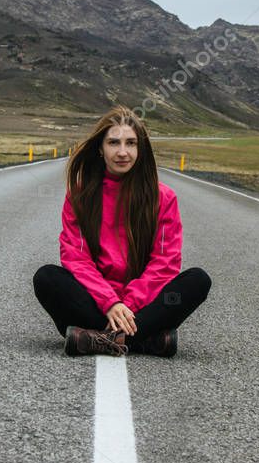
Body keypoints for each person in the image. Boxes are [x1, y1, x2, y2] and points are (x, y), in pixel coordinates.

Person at [33, 105, 211, 357]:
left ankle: (94, 338)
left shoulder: (163, 198)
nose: (123, 152)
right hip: (96, 301)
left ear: (141, 149)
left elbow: (165, 263)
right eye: (114, 143)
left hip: (142, 305)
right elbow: (76, 258)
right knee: (47, 278)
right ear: (100, 148)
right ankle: (146, 341)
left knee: (197, 281)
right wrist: (109, 302)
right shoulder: (80, 196)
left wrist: (127, 304)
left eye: (131, 143)